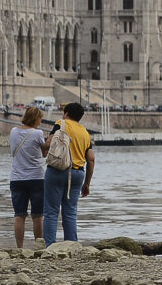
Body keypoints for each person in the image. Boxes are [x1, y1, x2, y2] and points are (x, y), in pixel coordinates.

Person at [43, 101, 96, 244]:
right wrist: (87, 184)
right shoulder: (85, 132)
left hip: (58, 170)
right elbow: (91, 160)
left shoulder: (62, 123)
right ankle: (71, 245)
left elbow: (48, 144)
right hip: (78, 173)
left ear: (66, 114)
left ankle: (50, 246)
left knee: (51, 211)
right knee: (71, 212)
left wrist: (43, 149)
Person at [8, 106, 48, 248]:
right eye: (40, 119)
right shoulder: (38, 133)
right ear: (36, 118)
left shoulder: (13, 131)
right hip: (36, 178)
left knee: (19, 215)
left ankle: (19, 248)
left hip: (17, 178)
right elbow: (44, 153)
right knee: (37, 215)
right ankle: (39, 246)